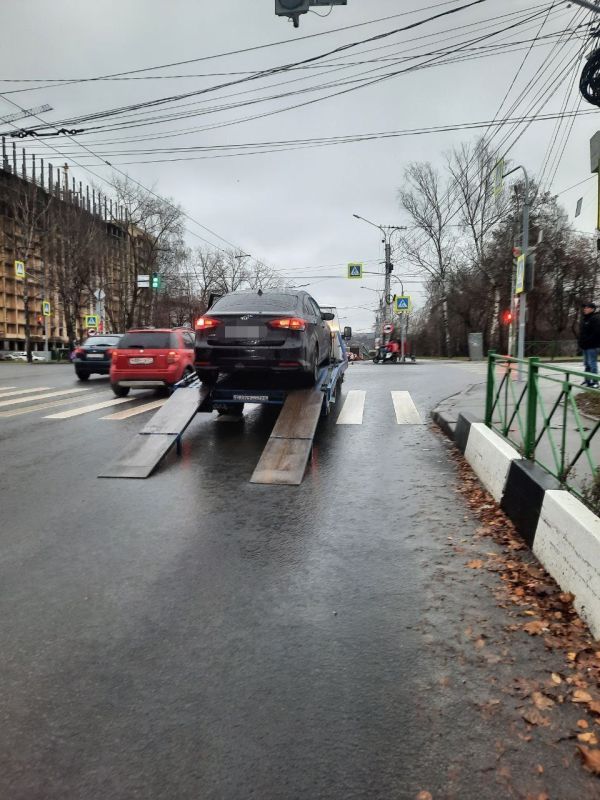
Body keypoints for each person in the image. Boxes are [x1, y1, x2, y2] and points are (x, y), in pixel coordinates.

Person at [578, 302, 600, 387]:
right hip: (585, 346)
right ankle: (587, 381)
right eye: (584, 307)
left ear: (592, 309)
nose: (585, 309)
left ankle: (595, 382)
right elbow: (582, 333)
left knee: (592, 364)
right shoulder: (585, 319)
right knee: (587, 364)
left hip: (593, 346)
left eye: (587, 307)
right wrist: (580, 342)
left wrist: (586, 341)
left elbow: (596, 333)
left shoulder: (595, 318)